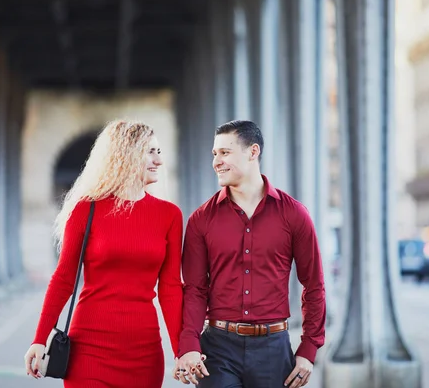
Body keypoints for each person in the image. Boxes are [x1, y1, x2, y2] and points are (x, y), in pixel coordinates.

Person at [24, 120, 183, 388]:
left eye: (159, 152)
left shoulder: (170, 216)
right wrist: (39, 340)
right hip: (88, 348)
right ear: (125, 155)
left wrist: (182, 350)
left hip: (144, 351)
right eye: (150, 152)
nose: (158, 160)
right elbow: (64, 278)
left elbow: (170, 288)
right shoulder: (86, 210)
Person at [173, 120, 326, 388]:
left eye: (225, 152)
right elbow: (195, 289)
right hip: (218, 349)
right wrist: (189, 345)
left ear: (252, 152)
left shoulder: (294, 215)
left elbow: (313, 285)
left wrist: (308, 350)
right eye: (214, 154)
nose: (216, 162)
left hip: (273, 350)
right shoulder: (201, 220)